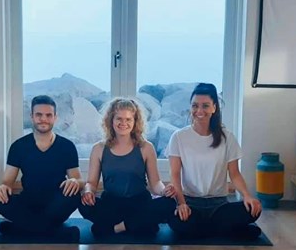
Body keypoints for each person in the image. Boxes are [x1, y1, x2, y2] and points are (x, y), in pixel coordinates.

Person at [167, 83, 263, 239]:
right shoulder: (178, 137)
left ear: (214, 108)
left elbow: (234, 174)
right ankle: (226, 230)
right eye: (195, 106)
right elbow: (175, 174)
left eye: (205, 106)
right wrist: (181, 203)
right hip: (190, 204)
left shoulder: (227, 137)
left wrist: (247, 195)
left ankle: (208, 229)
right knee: (175, 220)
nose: (199, 111)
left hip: (219, 206)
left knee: (253, 210)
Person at [79, 98, 177, 237]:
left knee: (169, 203)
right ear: (111, 120)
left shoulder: (146, 147)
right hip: (111, 204)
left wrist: (164, 191)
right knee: (82, 203)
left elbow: (155, 183)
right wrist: (88, 191)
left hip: (139, 204)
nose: (123, 123)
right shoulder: (98, 148)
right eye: (119, 118)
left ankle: (117, 227)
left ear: (135, 121)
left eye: (128, 119)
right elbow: (91, 183)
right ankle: (136, 225)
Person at [0, 95, 83, 238]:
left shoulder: (67, 146)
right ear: (32, 117)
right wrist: (2, 188)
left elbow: (79, 180)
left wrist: (74, 181)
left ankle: (20, 229)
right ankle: (55, 232)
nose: (43, 119)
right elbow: (7, 182)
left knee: (74, 196)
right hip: (28, 202)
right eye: (39, 115)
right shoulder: (18, 146)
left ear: (55, 117)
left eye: (48, 115)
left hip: (57, 203)